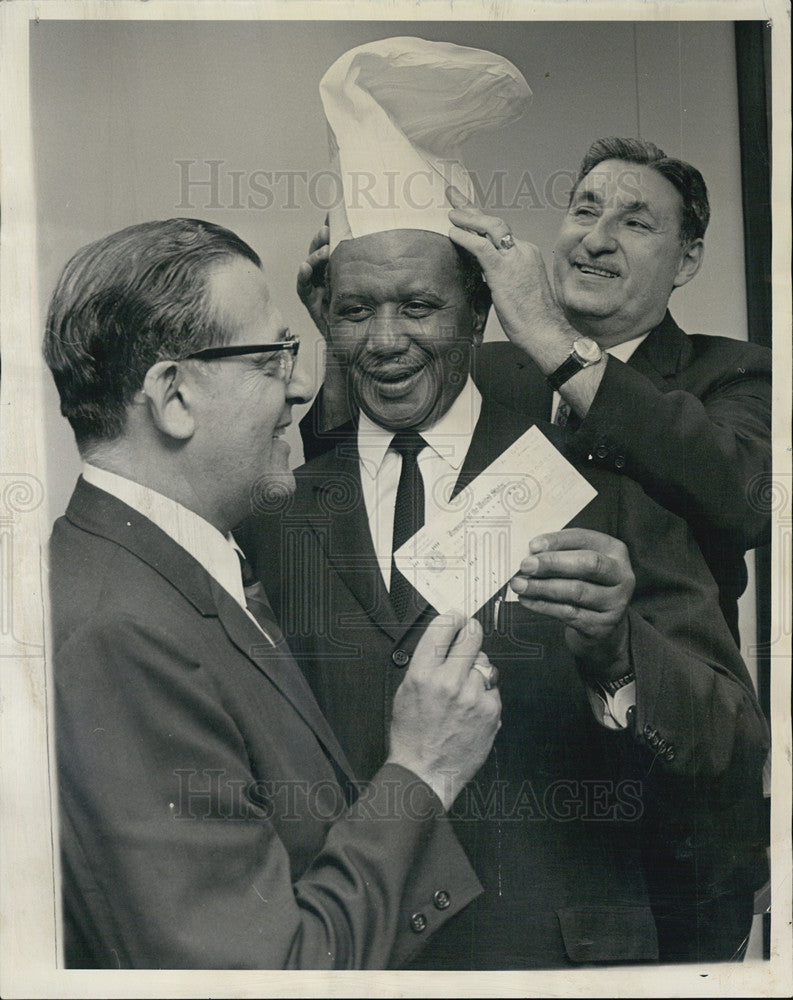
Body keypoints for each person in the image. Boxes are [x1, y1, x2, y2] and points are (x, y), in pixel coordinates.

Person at [239, 39, 769, 968]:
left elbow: (729, 724)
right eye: (355, 310)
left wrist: (617, 652)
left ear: (481, 314)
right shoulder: (272, 504)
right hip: (350, 950)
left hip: (568, 943)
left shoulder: (606, 463)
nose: (388, 339)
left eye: (420, 306)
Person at [44, 217, 503, 969]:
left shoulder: (175, 573)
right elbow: (264, 976)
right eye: (270, 360)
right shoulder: (116, 633)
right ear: (173, 397)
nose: (299, 387)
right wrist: (423, 772)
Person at [300, 138, 772, 642]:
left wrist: (550, 337)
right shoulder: (486, 369)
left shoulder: (735, 371)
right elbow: (359, 484)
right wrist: (342, 338)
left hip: (649, 691)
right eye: (584, 211)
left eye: (634, 223)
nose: (596, 240)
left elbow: (751, 501)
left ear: (686, 260)